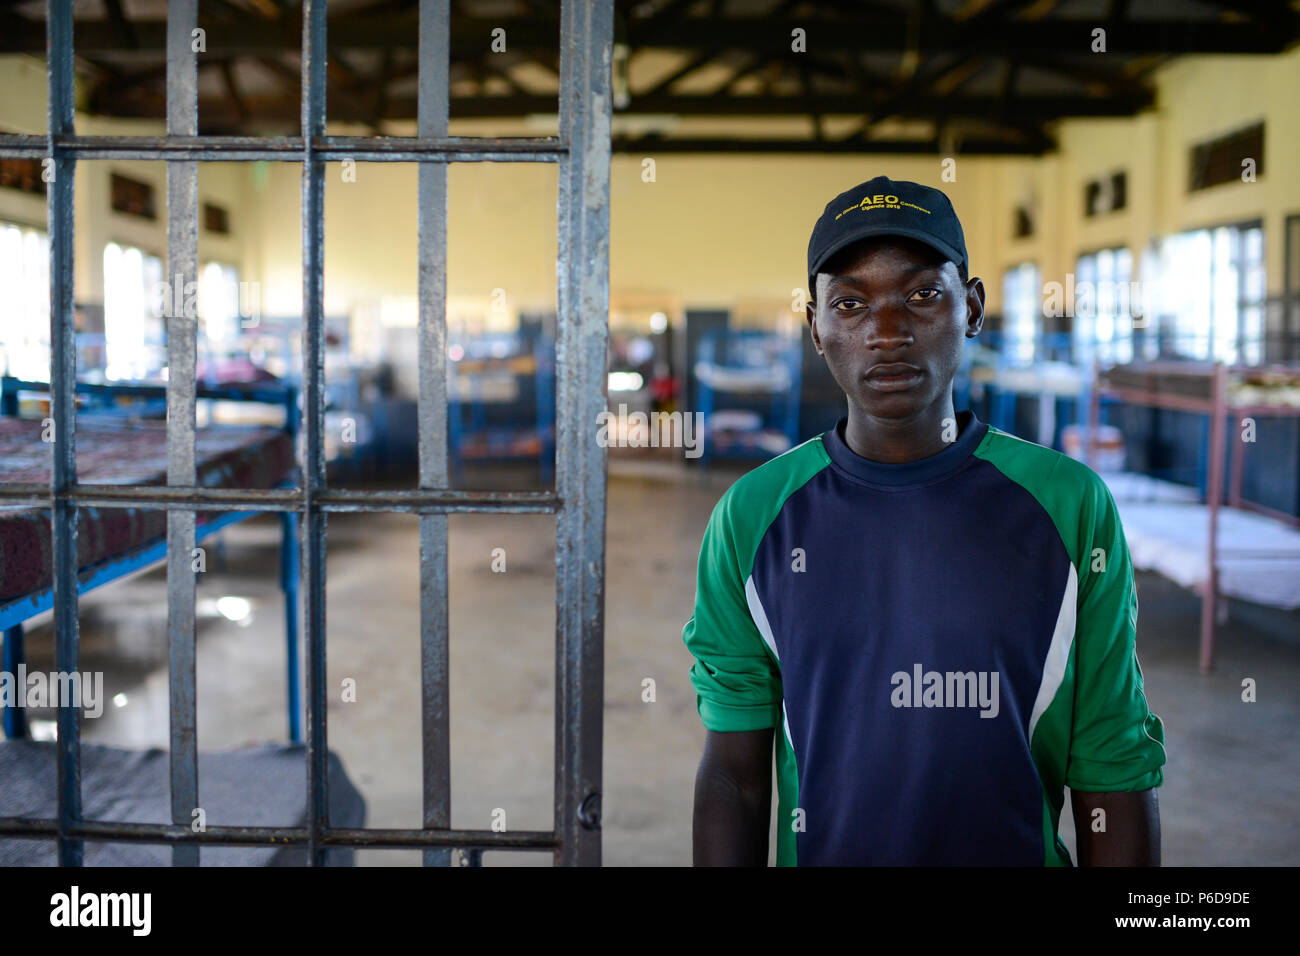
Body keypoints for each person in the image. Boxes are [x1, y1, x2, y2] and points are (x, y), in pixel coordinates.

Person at [681, 176, 1166, 866]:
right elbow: (733, 771)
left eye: (922, 295)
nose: (885, 331)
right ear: (816, 327)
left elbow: (1112, 763)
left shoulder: (1068, 505)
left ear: (970, 308)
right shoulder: (754, 517)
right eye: (850, 303)